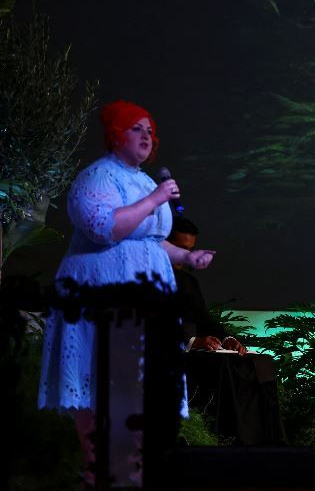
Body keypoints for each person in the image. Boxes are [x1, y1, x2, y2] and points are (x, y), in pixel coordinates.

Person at [37, 100, 216, 486]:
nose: (147, 136)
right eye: (137, 128)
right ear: (116, 135)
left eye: (151, 130)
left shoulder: (147, 182)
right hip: (101, 299)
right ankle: (96, 470)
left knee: (142, 387)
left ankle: (132, 469)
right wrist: (154, 200)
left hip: (147, 304)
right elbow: (105, 228)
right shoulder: (96, 178)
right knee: (100, 381)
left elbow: (151, 239)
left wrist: (187, 254)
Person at [167, 217, 246, 355]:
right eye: (181, 249)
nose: (186, 255)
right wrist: (191, 342)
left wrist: (226, 339)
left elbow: (203, 319)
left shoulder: (188, 282)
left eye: (190, 250)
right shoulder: (137, 278)